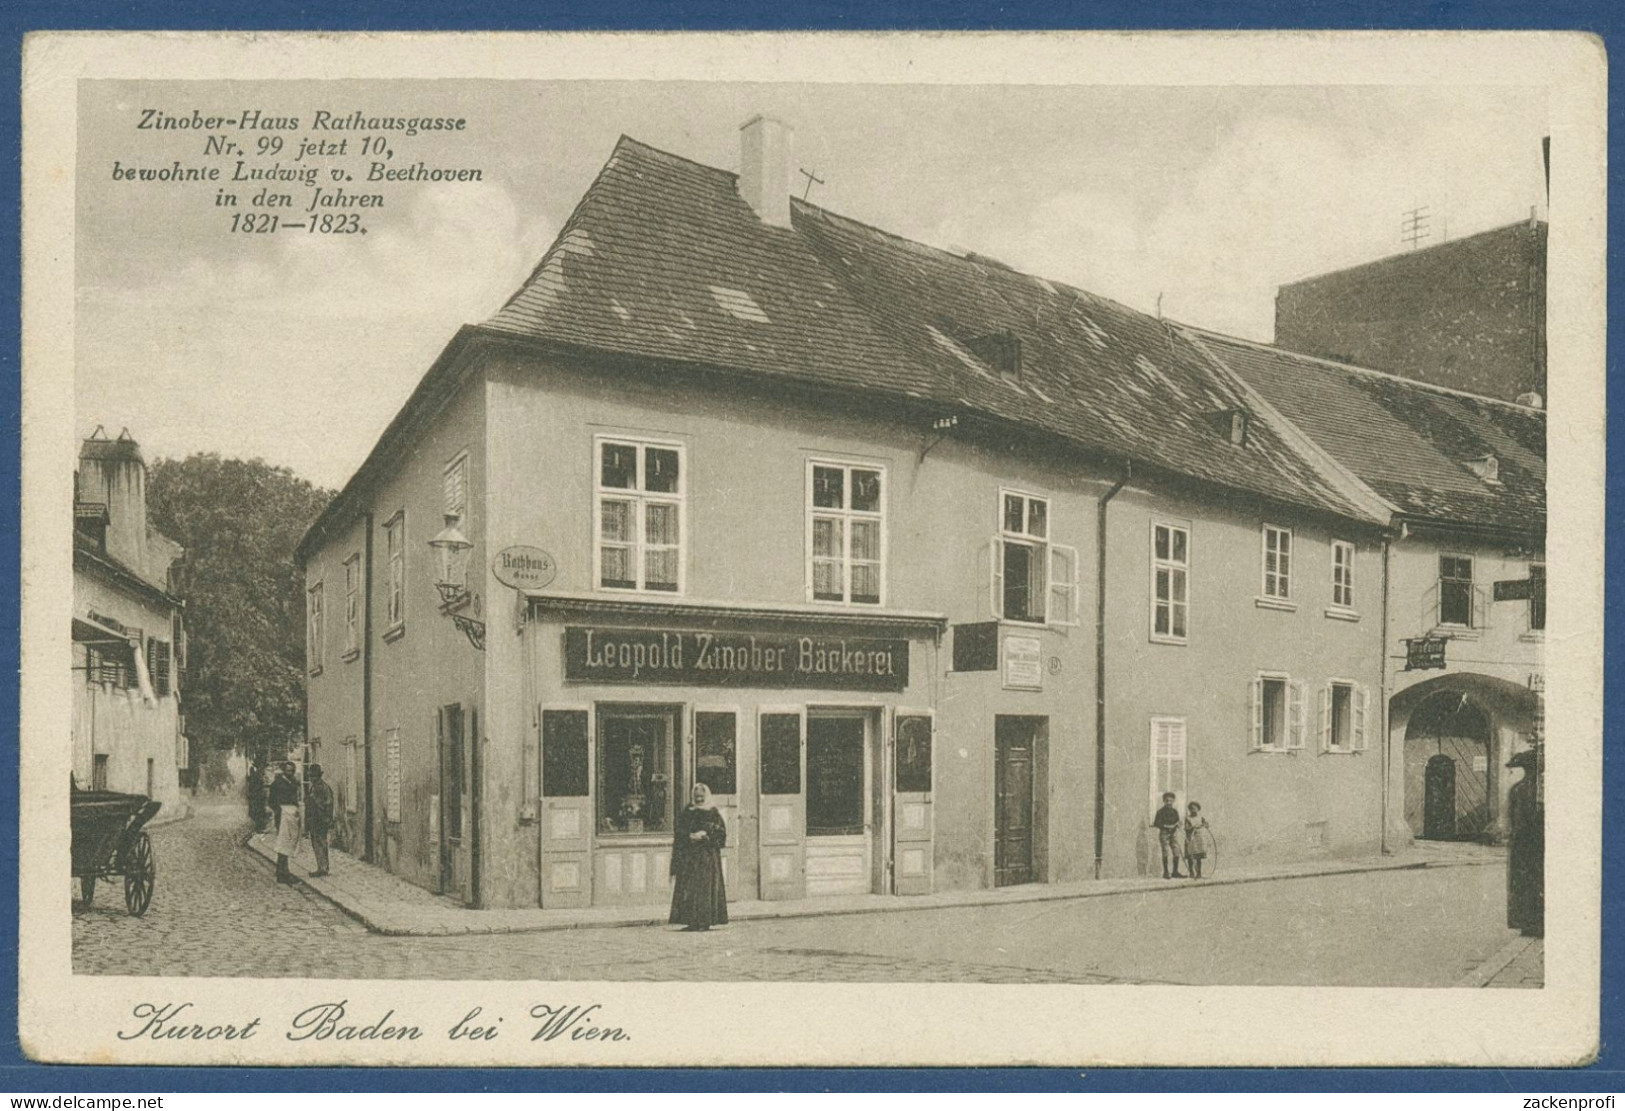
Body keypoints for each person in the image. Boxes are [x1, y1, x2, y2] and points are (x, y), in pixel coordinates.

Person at [669, 783, 729, 931]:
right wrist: (689, 837)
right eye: (697, 797)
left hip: (707, 858)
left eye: (702, 797)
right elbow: (679, 832)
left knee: (704, 890)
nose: (699, 800)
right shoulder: (688, 812)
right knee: (689, 889)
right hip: (690, 858)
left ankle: (704, 922)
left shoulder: (713, 813)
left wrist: (706, 836)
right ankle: (691, 921)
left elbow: (721, 835)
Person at [1506, 747, 1544, 937]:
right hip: (1536, 840)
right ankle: (1536, 920)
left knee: (1522, 882)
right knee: (1535, 880)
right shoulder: (1540, 790)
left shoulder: (1518, 789)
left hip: (1522, 842)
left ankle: (1526, 920)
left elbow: (1513, 820)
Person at [268, 761, 302, 885]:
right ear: (283, 771)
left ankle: (280, 870)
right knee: (284, 843)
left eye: (292, 770)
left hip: (291, 816)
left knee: (287, 843)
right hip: (282, 816)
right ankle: (283, 874)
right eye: (288, 770)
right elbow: (271, 801)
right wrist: (280, 810)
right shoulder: (277, 784)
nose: (291, 773)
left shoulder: (293, 782)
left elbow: (295, 799)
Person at [304, 764, 335, 878]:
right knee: (316, 843)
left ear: (318, 776)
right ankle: (320, 866)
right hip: (314, 820)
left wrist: (316, 803)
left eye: (314, 776)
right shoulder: (314, 787)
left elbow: (328, 803)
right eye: (311, 776)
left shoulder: (322, 787)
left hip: (321, 819)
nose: (312, 778)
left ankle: (323, 868)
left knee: (321, 843)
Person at [1151, 791, 1184, 879]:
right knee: (1165, 851)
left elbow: (1177, 821)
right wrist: (1166, 826)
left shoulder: (1174, 812)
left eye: (1171, 800)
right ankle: (1166, 872)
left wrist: (1178, 824)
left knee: (1176, 851)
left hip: (1173, 833)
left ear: (1173, 801)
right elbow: (1156, 823)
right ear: (1164, 801)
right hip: (1164, 833)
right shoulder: (1160, 812)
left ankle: (1175, 872)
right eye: (1167, 800)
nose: (1169, 802)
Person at [1183, 800, 1215, 879]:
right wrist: (1193, 827)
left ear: (1198, 809)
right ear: (1189, 810)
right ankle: (1191, 872)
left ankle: (1199, 873)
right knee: (1191, 855)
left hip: (1199, 838)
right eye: (1192, 808)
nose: (1193, 810)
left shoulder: (1201, 818)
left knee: (1198, 856)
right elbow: (1186, 828)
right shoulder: (1188, 818)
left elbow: (1207, 825)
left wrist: (1204, 824)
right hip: (1191, 838)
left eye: (1195, 808)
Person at [246, 760, 267, 834]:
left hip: (258, 797)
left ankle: (258, 828)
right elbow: (253, 787)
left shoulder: (258, 774)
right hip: (256, 797)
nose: (263, 768)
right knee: (257, 812)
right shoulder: (256, 775)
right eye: (262, 766)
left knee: (259, 812)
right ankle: (258, 828)